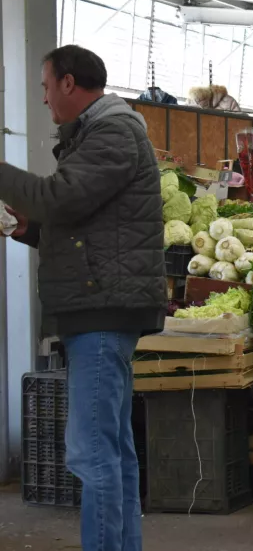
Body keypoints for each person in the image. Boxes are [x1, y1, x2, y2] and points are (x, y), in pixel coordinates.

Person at [1, 45, 165, 551]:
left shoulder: (112, 131)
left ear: (70, 83)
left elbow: (60, 198)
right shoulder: (96, 134)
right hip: (100, 308)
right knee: (112, 450)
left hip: (102, 313)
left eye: (47, 87)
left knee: (92, 454)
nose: (46, 99)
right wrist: (29, 231)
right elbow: (81, 223)